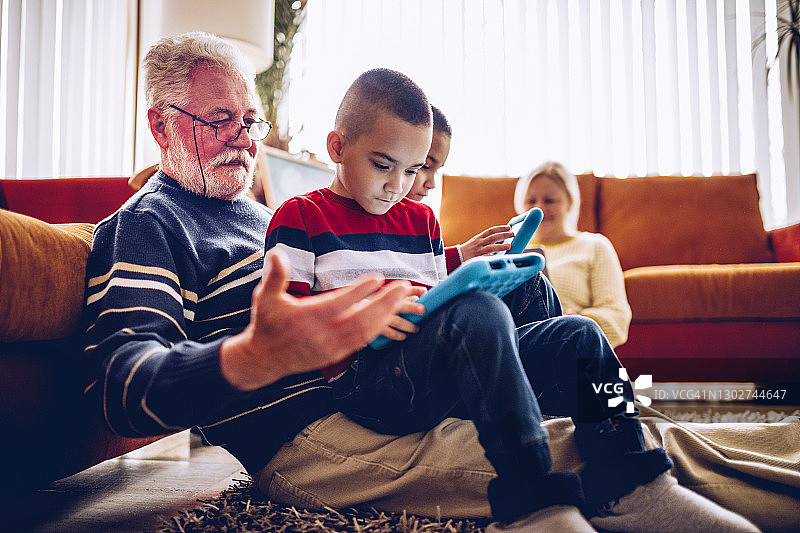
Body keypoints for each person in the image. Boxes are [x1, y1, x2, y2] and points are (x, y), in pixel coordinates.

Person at [82, 32, 790, 533]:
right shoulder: (147, 227)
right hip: (318, 430)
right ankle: (637, 479)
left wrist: (454, 263)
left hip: (396, 373)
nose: (243, 138)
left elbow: (370, 271)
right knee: (587, 444)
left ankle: (636, 454)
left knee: (567, 331)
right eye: (219, 120)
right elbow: (120, 388)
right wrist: (254, 356)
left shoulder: (263, 211)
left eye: (250, 119)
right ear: (161, 124)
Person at [263, 68, 758, 532]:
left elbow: (438, 301)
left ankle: (635, 482)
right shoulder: (301, 217)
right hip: (368, 386)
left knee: (578, 333)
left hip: (431, 374)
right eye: (382, 166)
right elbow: (285, 326)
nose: (398, 185)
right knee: (477, 312)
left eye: (414, 170)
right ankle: (532, 500)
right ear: (337, 146)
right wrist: (364, 319)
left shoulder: (422, 222)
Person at [514, 162, 632, 348]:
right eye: (531, 201)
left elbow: (616, 317)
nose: (539, 209)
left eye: (550, 200)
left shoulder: (595, 246)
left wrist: (572, 322)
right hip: (523, 344)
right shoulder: (511, 252)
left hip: (571, 343)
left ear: (570, 202)